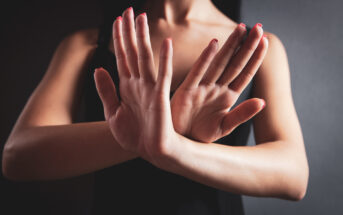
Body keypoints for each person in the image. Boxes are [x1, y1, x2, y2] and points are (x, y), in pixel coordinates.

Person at [2, 0, 309, 214]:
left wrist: (173, 146)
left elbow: (293, 176)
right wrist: (154, 132)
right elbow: (18, 156)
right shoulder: (88, 44)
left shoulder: (259, 49)